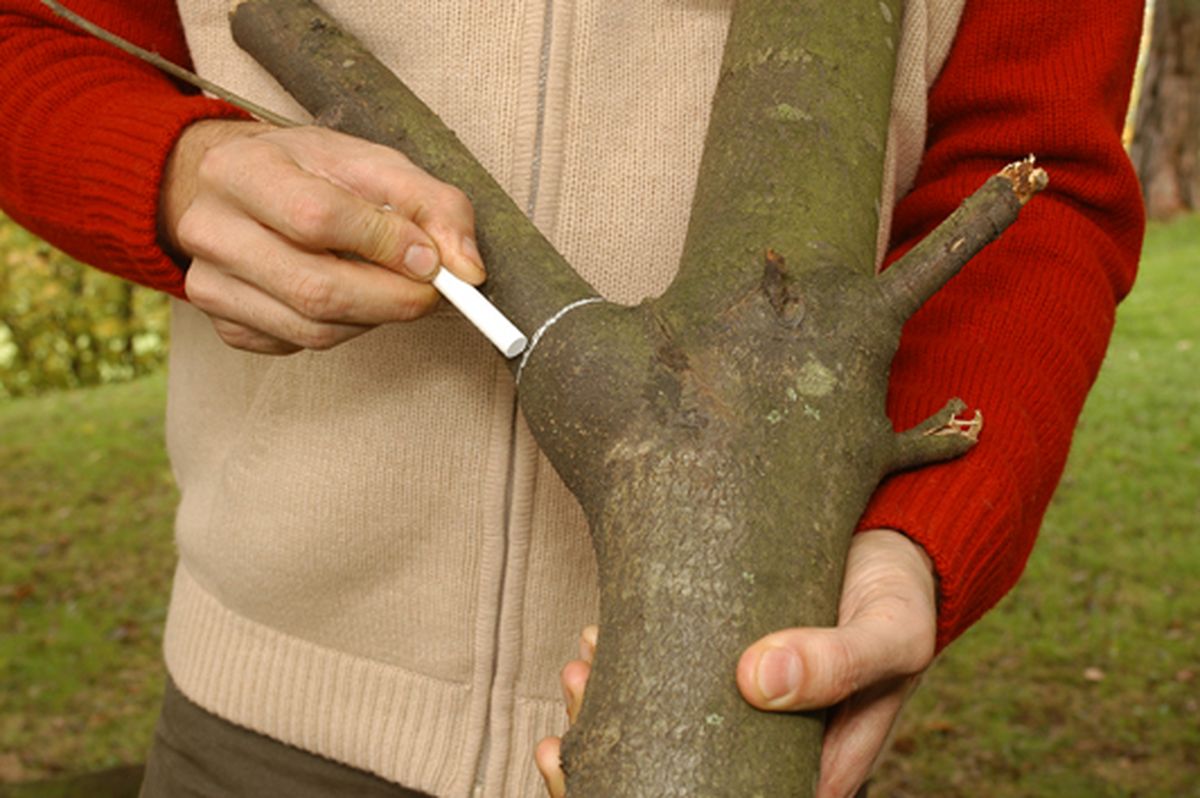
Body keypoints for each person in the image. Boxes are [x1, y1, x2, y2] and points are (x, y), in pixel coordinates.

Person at [0, 1, 1145, 796]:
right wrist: (169, 173)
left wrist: (920, 544)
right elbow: (30, 38)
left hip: (738, 716)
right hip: (258, 717)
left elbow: (1039, 175)